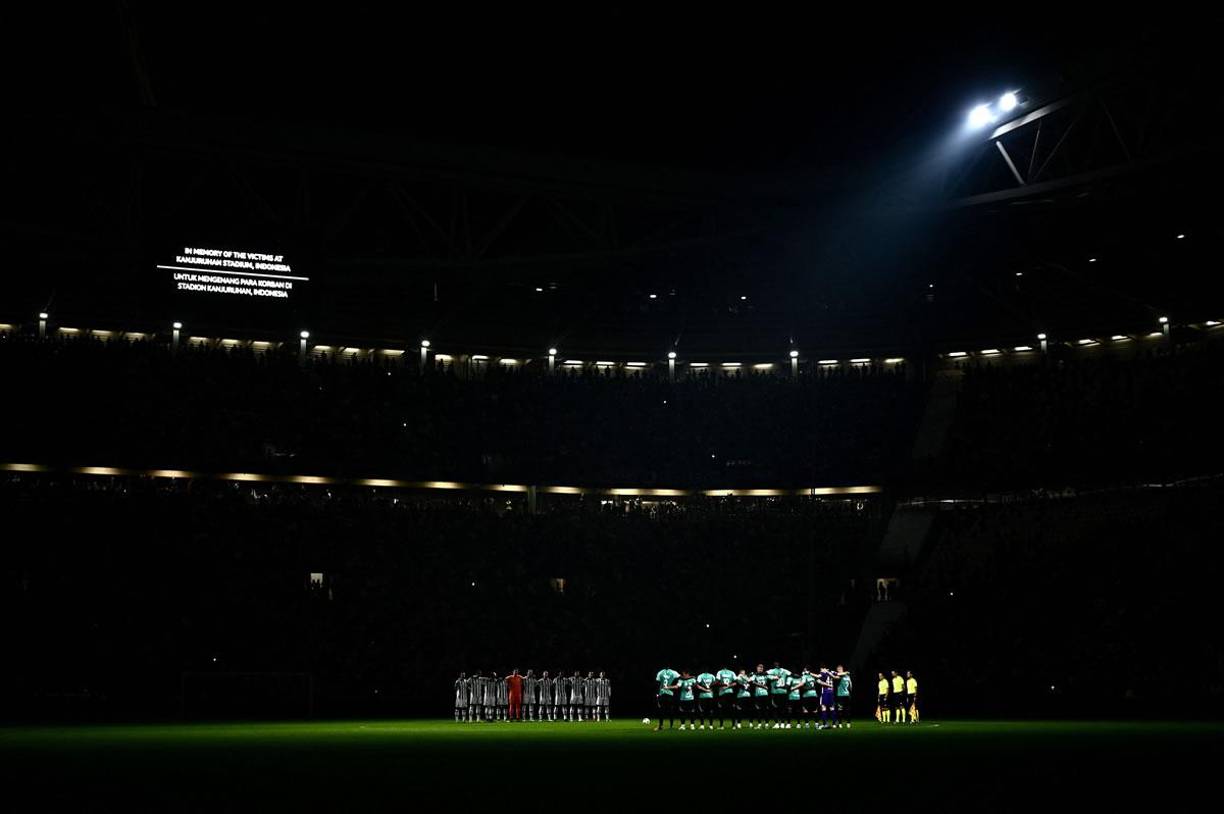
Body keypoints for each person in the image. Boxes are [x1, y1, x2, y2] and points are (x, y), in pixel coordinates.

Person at [654, 666, 680, 731]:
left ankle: (661, 726)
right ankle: (671, 726)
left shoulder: (660, 672)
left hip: (662, 693)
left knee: (662, 710)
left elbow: (658, 683)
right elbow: (680, 678)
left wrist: (657, 693)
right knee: (670, 710)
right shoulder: (674, 672)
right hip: (670, 693)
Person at [767, 662, 791, 728]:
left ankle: (778, 723)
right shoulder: (784, 670)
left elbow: (766, 674)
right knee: (783, 708)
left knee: (775, 708)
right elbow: (791, 674)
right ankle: (783, 724)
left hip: (775, 692)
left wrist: (773, 677)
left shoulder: (772, 670)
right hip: (783, 692)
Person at [715, 665, 737, 730]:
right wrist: (729, 686)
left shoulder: (719, 672)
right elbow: (735, 683)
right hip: (730, 692)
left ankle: (721, 726)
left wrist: (724, 685)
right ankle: (733, 726)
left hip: (722, 693)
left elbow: (717, 682)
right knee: (732, 709)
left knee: (721, 710)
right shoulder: (732, 672)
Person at [751, 664, 770, 729]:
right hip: (757, 694)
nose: (760, 669)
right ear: (757, 668)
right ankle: (759, 724)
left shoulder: (766, 675)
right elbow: (752, 682)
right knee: (758, 710)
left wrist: (777, 677)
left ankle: (767, 724)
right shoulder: (754, 675)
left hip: (765, 694)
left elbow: (772, 678)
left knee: (765, 709)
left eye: (761, 668)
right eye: (759, 668)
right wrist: (763, 686)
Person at [819, 664, 836, 729]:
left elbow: (819, 679)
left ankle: (825, 723)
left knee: (823, 707)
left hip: (825, 692)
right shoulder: (832, 672)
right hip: (831, 691)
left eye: (820, 669)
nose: (820, 670)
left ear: (823, 668)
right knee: (832, 707)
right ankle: (834, 724)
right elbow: (838, 675)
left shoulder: (822, 673)